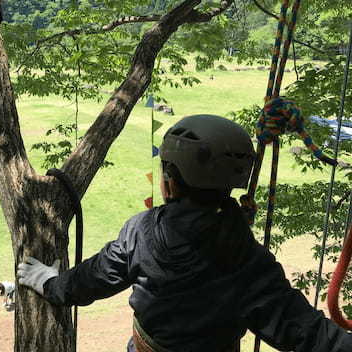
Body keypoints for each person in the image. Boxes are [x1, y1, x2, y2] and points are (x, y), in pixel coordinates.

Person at [18, 115, 352, 352]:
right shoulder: (249, 260)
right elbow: (305, 332)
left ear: (171, 182)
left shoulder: (142, 233)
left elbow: (92, 278)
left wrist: (49, 282)